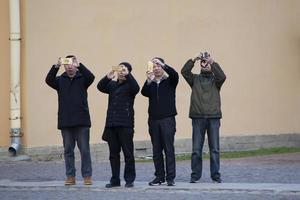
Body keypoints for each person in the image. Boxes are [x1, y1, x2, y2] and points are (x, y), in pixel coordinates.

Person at [45, 55, 95, 185]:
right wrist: (56, 66)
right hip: (66, 121)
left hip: (82, 121)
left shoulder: (83, 78)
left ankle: (87, 176)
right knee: (68, 150)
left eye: (72, 63)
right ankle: (70, 176)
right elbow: (48, 80)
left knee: (84, 150)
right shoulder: (60, 80)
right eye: (66, 63)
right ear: (64, 65)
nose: (69, 66)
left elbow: (91, 77)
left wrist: (80, 65)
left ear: (75, 65)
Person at [181, 52, 226, 183]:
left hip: (213, 118)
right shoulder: (194, 79)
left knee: (215, 149)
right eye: (203, 62)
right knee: (196, 150)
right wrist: (193, 59)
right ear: (200, 65)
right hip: (198, 118)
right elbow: (184, 71)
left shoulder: (216, 81)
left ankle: (216, 176)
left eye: (206, 62)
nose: (205, 64)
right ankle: (195, 176)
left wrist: (212, 62)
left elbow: (222, 76)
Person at [97, 62, 140, 188]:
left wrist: (129, 75)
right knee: (113, 154)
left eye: (124, 69)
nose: (121, 71)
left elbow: (136, 88)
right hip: (111, 125)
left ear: (128, 72)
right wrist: (108, 76)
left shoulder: (130, 86)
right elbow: (100, 87)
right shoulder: (112, 85)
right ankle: (115, 180)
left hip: (125, 125)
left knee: (128, 154)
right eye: (119, 69)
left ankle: (129, 179)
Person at [141, 57, 179, 186]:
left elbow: (175, 74)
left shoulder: (170, 81)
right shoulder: (151, 83)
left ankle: (170, 178)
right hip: (153, 120)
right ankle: (159, 177)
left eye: (158, 66)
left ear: (162, 67)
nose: (156, 68)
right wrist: (148, 80)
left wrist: (164, 64)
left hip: (167, 119)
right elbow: (143, 93)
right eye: (154, 66)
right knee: (156, 150)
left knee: (169, 149)